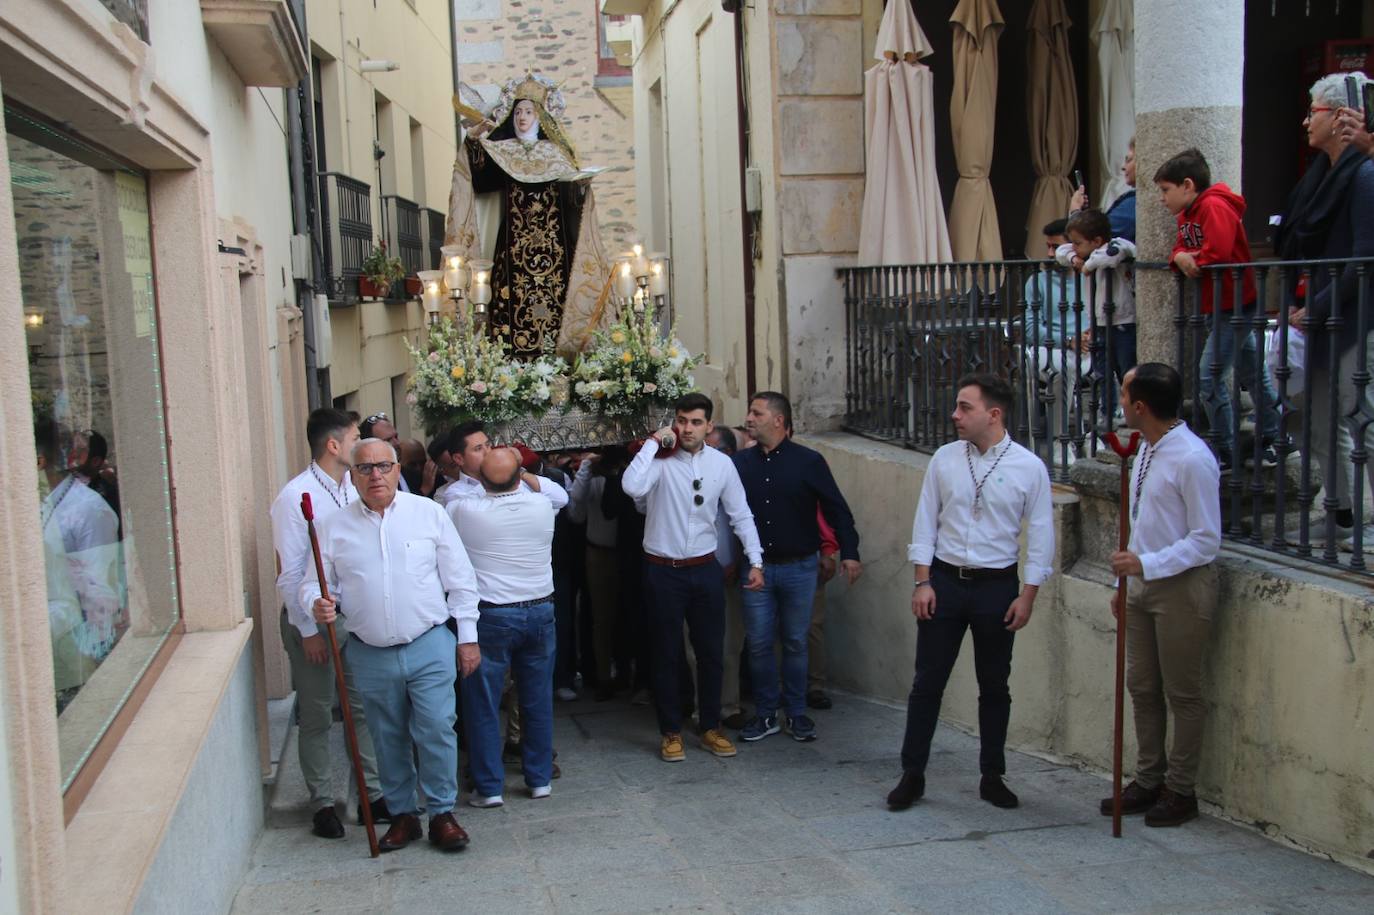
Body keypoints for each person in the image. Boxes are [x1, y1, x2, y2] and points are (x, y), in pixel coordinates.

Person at [302, 438, 481, 853]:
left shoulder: (429, 514)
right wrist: (317, 602)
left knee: (437, 727)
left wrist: (468, 638)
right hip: (369, 649)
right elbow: (313, 581)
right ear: (352, 475)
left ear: (399, 469)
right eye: (365, 469)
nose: (375, 475)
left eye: (383, 466)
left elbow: (461, 580)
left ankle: (441, 813)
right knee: (387, 736)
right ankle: (403, 815)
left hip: (429, 642)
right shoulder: (332, 526)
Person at [888, 373, 1054, 811]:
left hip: (997, 586)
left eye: (965, 407)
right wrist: (922, 581)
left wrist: (1028, 595)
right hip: (943, 581)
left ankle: (992, 775)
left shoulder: (1028, 467)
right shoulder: (944, 458)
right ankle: (912, 773)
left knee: (995, 685)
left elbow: (1040, 536)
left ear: (993, 415)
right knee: (927, 682)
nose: (954, 415)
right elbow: (926, 520)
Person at [1106, 363, 1221, 827]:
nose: (1119, 403)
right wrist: (1125, 581)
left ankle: (1181, 790)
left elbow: (1206, 539)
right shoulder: (1146, 451)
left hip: (1180, 588)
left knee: (1182, 693)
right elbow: (1143, 521)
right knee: (1141, 687)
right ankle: (1148, 779)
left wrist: (1145, 566)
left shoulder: (1192, 458)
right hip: (1141, 584)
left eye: (1123, 395)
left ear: (1140, 407)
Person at [622, 393, 765, 762]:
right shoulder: (658, 461)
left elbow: (741, 514)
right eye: (682, 421)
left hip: (704, 570)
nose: (687, 428)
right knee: (667, 653)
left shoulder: (722, 465)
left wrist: (756, 560)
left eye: (695, 422)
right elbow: (632, 487)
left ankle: (710, 726)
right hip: (662, 570)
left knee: (711, 653)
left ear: (709, 426)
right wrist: (653, 443)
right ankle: (670, 731)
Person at [267, 408, 387, 839]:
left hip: (354, 620)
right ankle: (321, 800)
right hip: (315, 622)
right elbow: (289, 572)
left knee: (363, 708)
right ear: (334, 445)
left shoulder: (351, 489)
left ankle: (374, 791)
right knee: (317, 713)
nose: (362, 442)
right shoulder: (295, 497)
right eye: (356, 437)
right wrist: (308, 630)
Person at [445, 74, 612, 358]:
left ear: (540, 116)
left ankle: (558, 361)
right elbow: (480, 180)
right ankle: (512, 366)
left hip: (556, 250)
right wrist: (473, 143)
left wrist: (581, 190)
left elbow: (571, 203)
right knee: (509, 304)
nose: (523, 117)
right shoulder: (502, 152)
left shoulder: (558, 154)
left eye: (529, 111)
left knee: (557, 304)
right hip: (513, 251)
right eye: (519, 111)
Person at [1279, 72, 1374, 550]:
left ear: (1339, 116)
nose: (1304, 120)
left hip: (1356, 320)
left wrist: (1313, 307)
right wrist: (1301, 304)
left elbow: (1363, 258)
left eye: (1312, 110)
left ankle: (1364, 521)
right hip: (1321, 316)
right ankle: (1338, 516)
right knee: (1318, 423)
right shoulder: (1320, 177)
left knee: (1361, 418)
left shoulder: (1364, 174)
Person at [734, 392, 862, 743]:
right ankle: (765, 714)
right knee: (759, 644)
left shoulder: (809, 462)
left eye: (756, 413)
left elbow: (838, 510)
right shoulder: (739, 464)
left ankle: (796, 713)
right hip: (756, 569)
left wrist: (849, 552)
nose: (749, 418)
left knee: (795, 641)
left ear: (778, 420)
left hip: (799, 568)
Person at [1155, 147, 1279, 471]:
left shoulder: (1213, 206)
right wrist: (1178, 258)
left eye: (1165, 190)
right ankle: (1275, 434)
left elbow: (1218, 252)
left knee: (1208, 378)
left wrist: (1186, 258)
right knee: (1253, 372)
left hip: (1235, 303)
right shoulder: (1187, 214)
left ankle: (1227, 447)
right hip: (1220, 304)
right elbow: (1182, 249)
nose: (1162, 199)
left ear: (1187, 185)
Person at [450, 447, 558, 808]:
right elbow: (556, 491)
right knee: (536, 698)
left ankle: (489, 787)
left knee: (482, 703)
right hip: (540, 610)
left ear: (480, 479)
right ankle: (539, 779)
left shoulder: (465, 510)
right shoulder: (543, 506)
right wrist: (524, 472)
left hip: (493, 616)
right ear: (521, 476)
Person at [36, 420, 122, 707]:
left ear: (40, 459)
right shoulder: (44, 502)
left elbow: (100, 591)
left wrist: (96, 662)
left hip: (73, 651)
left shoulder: (88, 510)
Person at [567, 446, 630, 702]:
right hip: (599, 552)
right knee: (601, 618)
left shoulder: (630, 475)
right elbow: (575, 512)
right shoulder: (592, 477)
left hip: (629, 553)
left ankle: (627, 672)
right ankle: (603, 676)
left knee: (628, 616)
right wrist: (585, 470)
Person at [1055, 207, 1137, 386]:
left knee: (1126, 369)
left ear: (1097, 240)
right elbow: (1061, 251)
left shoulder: (1118, 244)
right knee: (1102, 371)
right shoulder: (1082, 251)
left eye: (1077, 243)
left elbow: (1111, 256)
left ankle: (1127, 408)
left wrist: (1087, 265)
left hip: (1123, 321)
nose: (1074, 248)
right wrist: (1073, 258)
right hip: (1099, 323)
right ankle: (1107, 409)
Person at [1070, 136, 1137, 242]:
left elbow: (1090, 237)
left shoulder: (1133, 203)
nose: (1123, 167)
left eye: (1128, 160)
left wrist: (1075, 211)